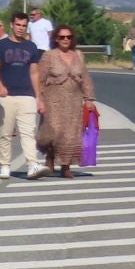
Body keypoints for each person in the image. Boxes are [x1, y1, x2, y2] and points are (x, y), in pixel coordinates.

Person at [0, 11, 45, 180]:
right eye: (18, 25)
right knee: (5, 132)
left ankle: (32, 164)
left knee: (28, 132)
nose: (21, 28)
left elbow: (34, 72)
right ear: (11, 25)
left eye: (24, 25)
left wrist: (39, 96)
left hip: (26, 94)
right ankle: (5, 165)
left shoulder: (31, 47)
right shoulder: (1, 46)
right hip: (6, 95)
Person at [36, 25, 98, 178]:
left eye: (68, 37)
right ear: (56, 39)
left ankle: (66, 166)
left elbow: (85, 79)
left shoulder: (78, 55)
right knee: (54, 132)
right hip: (53, 100)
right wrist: (40, 98)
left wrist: (89, 98)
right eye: (62, 37)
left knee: (70, 134)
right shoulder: (48, 56)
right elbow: (39, 78)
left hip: (73, 101)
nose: (65, 40)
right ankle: (50, 156)